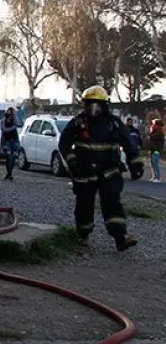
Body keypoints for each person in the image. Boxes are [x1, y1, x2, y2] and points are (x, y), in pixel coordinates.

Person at [58, 85, 142, 251]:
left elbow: (129, 144)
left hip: (109, 172)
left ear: (105, 104)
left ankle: (120, 238)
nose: (93, 107)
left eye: (97, 103)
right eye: (90, 103)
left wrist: (136, 164)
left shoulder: (114, 124)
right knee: (84, 205)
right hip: (84, 173)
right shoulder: (77, 123)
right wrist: (73, 163)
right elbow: (64, 144)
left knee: (112, 203)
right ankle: (83, 236)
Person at [0, 107, 21, 180]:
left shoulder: (14, 121)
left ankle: (9, 174)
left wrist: (14, 115)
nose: (10, 114)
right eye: (8, 112)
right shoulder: (3, 121)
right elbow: (4, 129)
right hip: (7, 141)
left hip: (14, 141)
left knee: (14, 158)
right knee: (8, 158)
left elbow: (18, 123)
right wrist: (13, 128)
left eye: (11, 113)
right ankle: (9, 173)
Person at [150, 119, 164, 183]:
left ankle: (158, 178)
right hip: (153, 149)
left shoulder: (159, 131)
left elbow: (152, 137)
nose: (152, 125)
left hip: (156, 150)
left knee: (155, 163)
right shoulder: (155, 131)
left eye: (154, 124)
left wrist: (151, 131)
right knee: (152, 163)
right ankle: (154, 177)